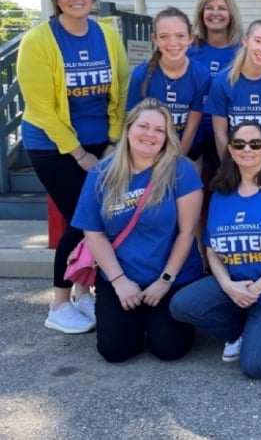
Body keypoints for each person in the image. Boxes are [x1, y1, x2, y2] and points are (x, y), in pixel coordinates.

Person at [17, 0, 129, 334]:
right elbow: (41, 108)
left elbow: (122, 89)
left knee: (101, 221)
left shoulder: (108, 36)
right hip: (53, 146)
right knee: (83, 222)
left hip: (102, 142)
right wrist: (79, 154)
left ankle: (84, 293)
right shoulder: (38, 41)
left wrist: (113, 141)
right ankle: (59, 303)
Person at [170, 120, 261, 379]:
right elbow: (212, 249)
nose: (247, 149)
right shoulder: (221, 195)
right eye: (239, 144)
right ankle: (240, 330)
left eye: (255, 143)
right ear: (231, 150)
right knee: (182, 305)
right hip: (236, 286)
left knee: (255, 367)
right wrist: (227, 286)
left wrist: (257, 289)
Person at [71, 98, 204, 362]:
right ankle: (136, 315)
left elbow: (188, 232)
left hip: (170, 275)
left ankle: (158, 316)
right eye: (143, 126)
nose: (150, 135)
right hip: (121, 275)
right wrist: (119, 282)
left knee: (168, 349)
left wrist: (164, 281)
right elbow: (93, 232)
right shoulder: (101, 173)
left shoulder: (182, 171)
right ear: (129, 128)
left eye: (159, 130)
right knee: (115, 351)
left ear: (167, 138)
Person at [127, 6, 211, 161]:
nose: (173, 43)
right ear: (155, 39)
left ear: (190, 38)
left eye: (180, 35)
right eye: (164, 36)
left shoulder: (201, 75)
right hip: (149, 151)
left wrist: (177, 161)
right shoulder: (141, 74)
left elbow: (192, 126)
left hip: (187, 150)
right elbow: (132, 123)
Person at [205, 20, 261, 163]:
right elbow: (220, 133)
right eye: (258, 41)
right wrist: (230, 170)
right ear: (245, 41)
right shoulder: (222, 81)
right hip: (234, 161)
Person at [188, 0, 243, 171]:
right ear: (201, 12)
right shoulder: (189, 51)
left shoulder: (242, 53)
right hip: (193, 135)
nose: (215, 13)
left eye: (222, 8)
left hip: (230, 135)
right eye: (209, 7)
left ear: (231, 14)